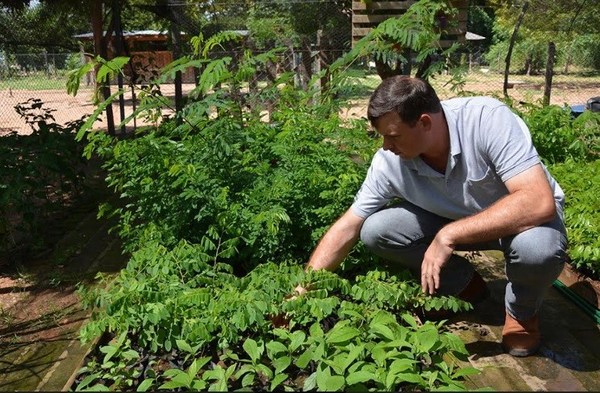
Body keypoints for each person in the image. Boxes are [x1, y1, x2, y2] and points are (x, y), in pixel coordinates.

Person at [297, 75, 568, 357]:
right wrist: (303, 289)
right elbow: (348, 226)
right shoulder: (390, 161)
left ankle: (522, 313)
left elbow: (538, 201)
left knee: (538, 250)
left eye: (393, 135)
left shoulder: (486, 120)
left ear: (424, 123)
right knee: (376, 230)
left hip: (521, 225)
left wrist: (449, 235)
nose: (386, 146)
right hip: (457, 221)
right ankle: (465, 287)